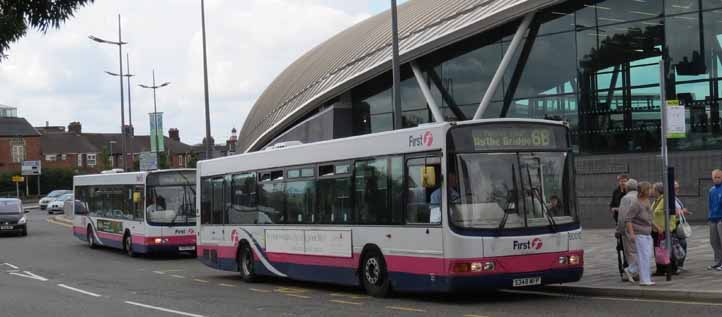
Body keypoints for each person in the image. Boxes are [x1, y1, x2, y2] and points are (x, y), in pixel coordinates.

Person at [624, 181, 655, 286]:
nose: (651, 191)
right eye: (649, 189)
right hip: (639, 233)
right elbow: (628, 219)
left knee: (647, 255)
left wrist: (656, 226)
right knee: (644, 256)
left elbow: (649, 217)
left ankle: (630, 270)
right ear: (644, 191)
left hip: (647, 232)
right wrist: (632, 234)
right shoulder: (636, 204)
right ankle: (645, 280)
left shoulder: (647, 201)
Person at [651, 182, 677, 275]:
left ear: (657, 190)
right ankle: (660, 269)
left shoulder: (665, 199)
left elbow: (671, 213)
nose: (651, 191)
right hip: (656, 230)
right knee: (658, 249)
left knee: (667, 249)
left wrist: (668, 227)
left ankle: (671, 268)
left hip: (664, 229)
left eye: (653, 189)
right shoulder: (656, 200)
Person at [617, 178, 638, 279]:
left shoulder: (626, 198)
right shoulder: (640, 197)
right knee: (640, 251)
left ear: (627, 187)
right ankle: (639, 270)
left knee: (631, 251)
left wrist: (619, 230)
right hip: (641, 228)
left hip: (630, 229)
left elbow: (622, 216)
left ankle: (633, 272)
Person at [708, 169, 722, 271]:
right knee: (714, 241)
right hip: (713, 219)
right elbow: (710, 205)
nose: (716, 179)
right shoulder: (711, 190)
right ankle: (717, 262)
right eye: (715, 177)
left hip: (721, 218)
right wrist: (710, 216)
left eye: (719, 177)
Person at [674, 180, 689, 272]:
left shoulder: (676, 198)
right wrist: (682, 211)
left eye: (677, 187)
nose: (677, 189)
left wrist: (683, 211)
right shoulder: (669, 199)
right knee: (680, 245)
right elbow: (673, 212)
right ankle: (677, 265)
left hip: (679, 224)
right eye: (675, 188)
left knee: (683, 244)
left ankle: (679, 265)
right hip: (674, 225)